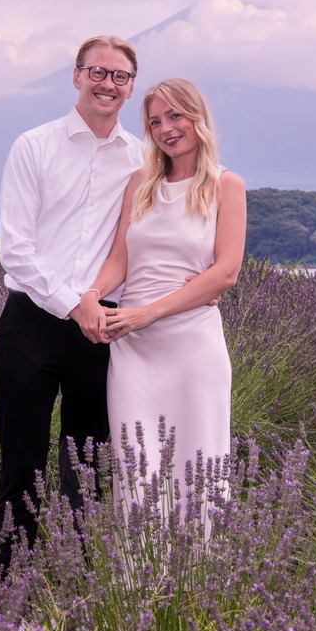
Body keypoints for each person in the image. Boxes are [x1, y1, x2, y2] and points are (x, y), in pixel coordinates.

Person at [0, 35, 145, 571]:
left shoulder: (142, 159)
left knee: (89, 467)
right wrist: (72, 303)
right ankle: (7, 585)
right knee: (22, 463)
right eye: (97, 72)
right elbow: (16, 250)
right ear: (76, 76)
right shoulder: (34, 146)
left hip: (102, 330)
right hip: (32, 321)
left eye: (119, 76)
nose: (107, 83)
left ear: (131, 88)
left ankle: (77, 583)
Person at [77, 78, 246, 519]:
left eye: (175, 116)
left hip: (192, 345)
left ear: (198, 118)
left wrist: (146, 314)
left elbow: (226, 273)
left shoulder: (227, 186)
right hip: (133, 350)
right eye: (155, 121)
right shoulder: (140, 183)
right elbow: (120, 259)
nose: (166, 129)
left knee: (201, 466)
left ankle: (202, 583)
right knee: (138, 469)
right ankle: (139, 586)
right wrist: (93, 297)